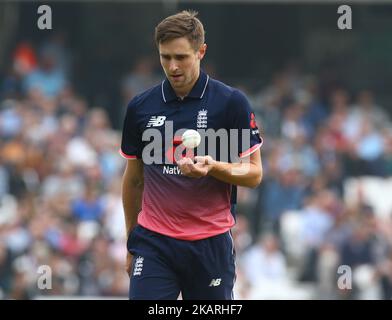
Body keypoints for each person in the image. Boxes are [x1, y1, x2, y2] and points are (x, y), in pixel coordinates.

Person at [120, 10, 263, 300]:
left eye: (181, 57)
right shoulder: (141, 107)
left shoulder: (230, 103)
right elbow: (134, 180)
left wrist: (213, 167)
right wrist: (130, 242)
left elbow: (253, 174)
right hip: (154, 243)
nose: (173, 67)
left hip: (210, 245)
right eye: (165, 57)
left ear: (201, 52)